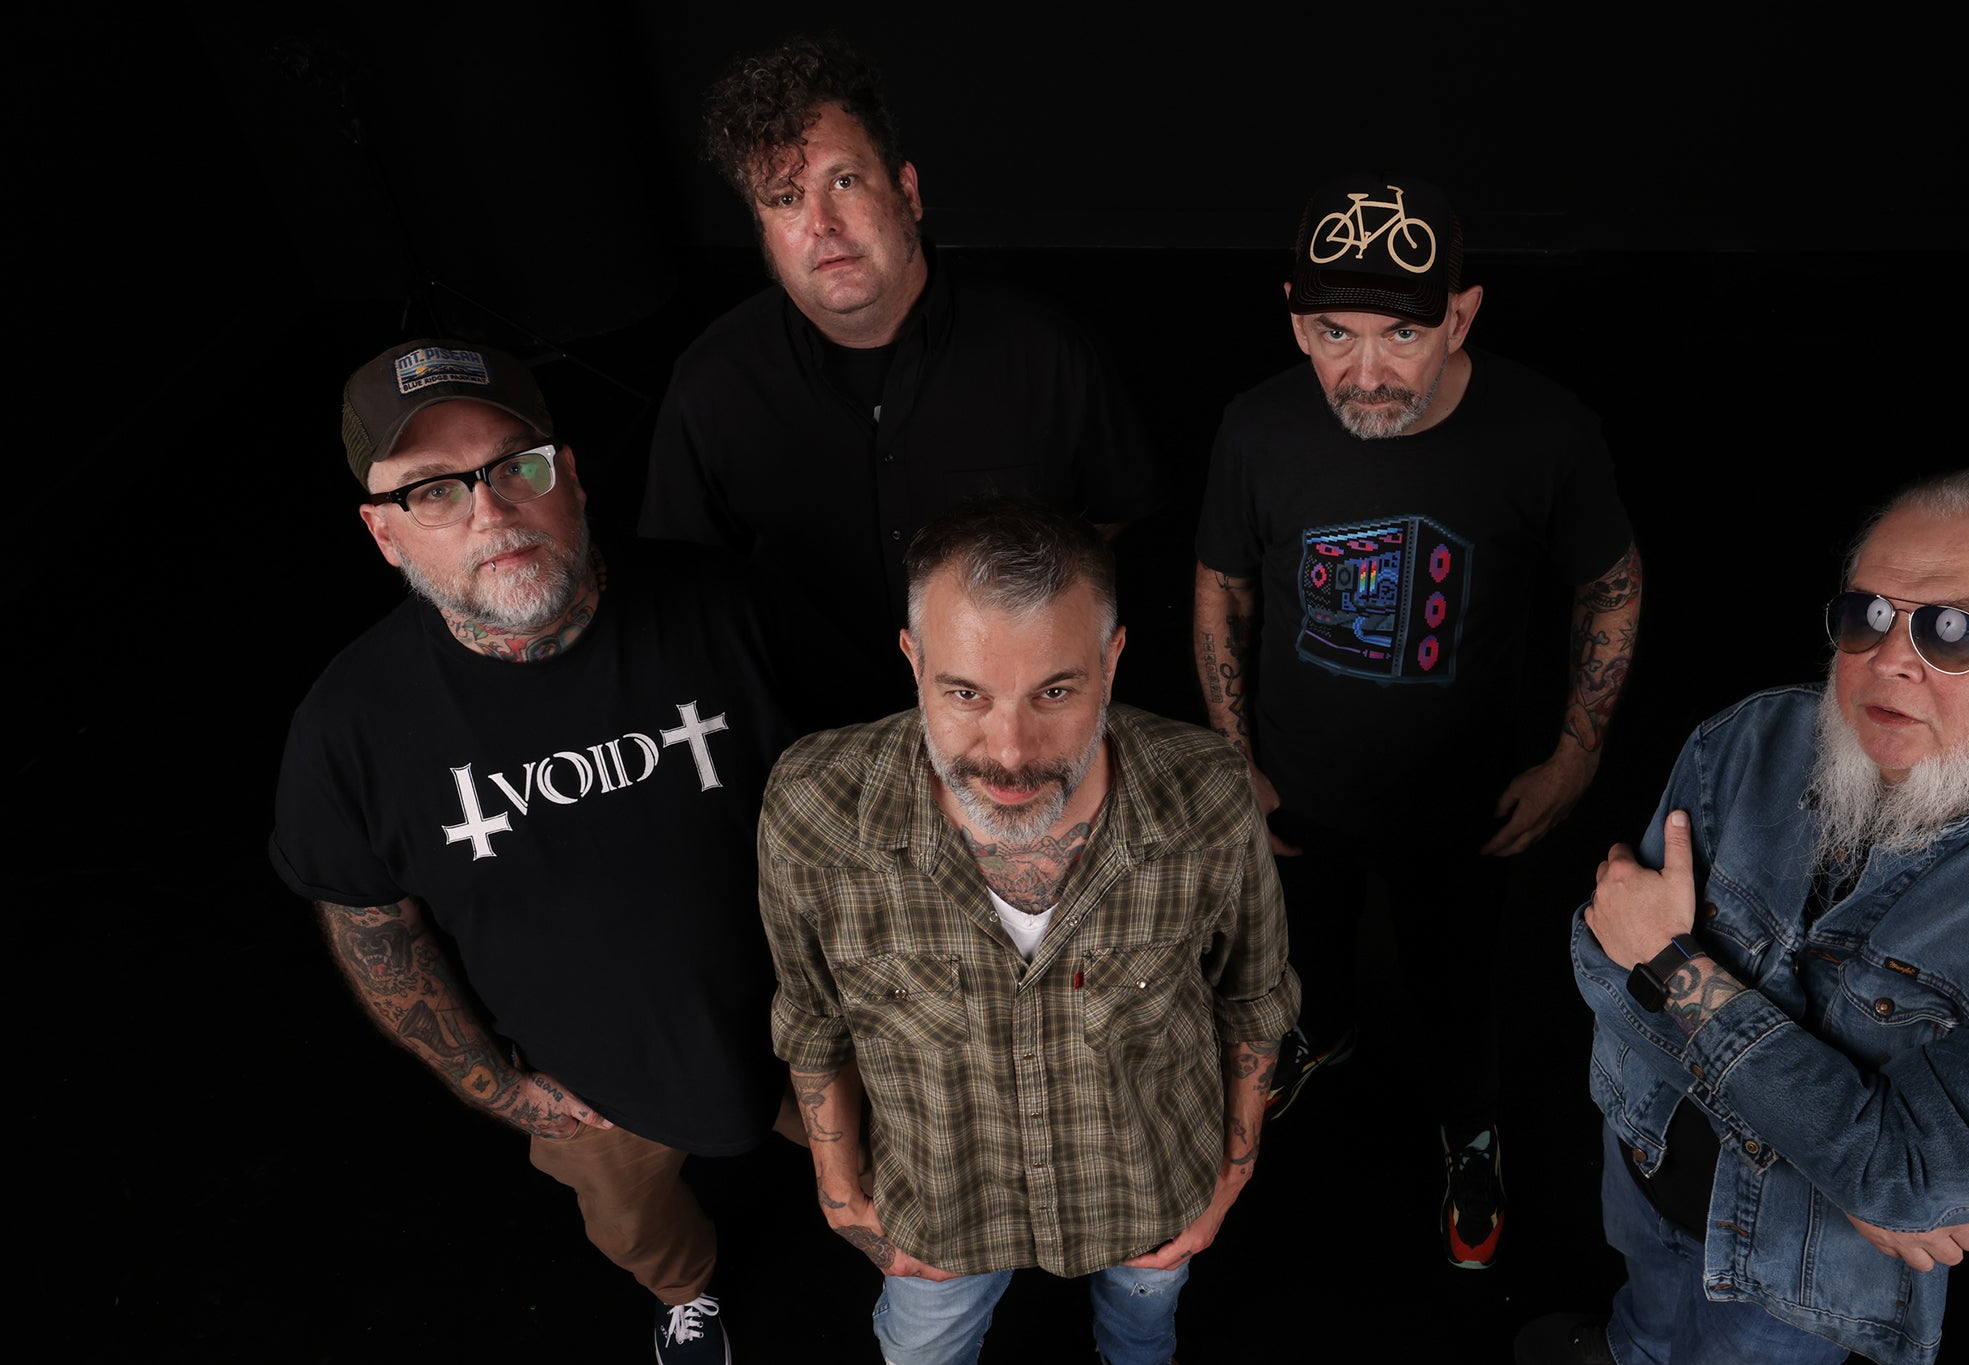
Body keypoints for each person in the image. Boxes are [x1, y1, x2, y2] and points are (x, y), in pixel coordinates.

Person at [1518, 465, 1969, 1365]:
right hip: (1645, 1157)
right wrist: (1851, 1159)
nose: (1889, 658)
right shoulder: (1748, 741)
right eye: (1869, 614)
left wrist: (1672, 963)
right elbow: (1599, 954)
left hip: (1790, 1269)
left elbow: (1902, 1176)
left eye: (1953, 630)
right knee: (1646, 1306)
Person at [270, 339, 802, 1365]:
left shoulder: (728, 603)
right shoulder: (347, 731)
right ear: (383, 532)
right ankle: (686, 1292)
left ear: (571, 477)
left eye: (516, 466)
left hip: (810, 1031)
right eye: (433, 490)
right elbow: (377, 937)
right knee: (636, 1229)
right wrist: (502, 1092)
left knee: (889, 1181)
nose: (491, 512)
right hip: (594, 1095)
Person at [1191, 170, 1642, 1270]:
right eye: (1333, 332)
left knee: (1458, 987)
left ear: (1461, 316)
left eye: (1402, 333)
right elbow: (1222, 587)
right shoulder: (1256, 427)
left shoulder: (1545, 431)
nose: (1365, 370)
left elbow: (1612, 584)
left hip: (1467, 805)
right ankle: (1324, 1036)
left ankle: (1471, 1131)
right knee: (1306, 952)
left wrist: (1576, 758)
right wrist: (1234, 756)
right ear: (1295, 318)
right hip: (1298, 789)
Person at [756, 497, 1296, 1365]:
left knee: (1141, 1341)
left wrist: (1229, 1177)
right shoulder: (813, 806)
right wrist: (839, 1187)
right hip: (938, 1216)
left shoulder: (1208, 795)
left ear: (1111, 661)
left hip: (1151, 1199)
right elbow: (813, 1015)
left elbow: (1255, 998)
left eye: (1055, 691)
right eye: (965, 692)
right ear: (914, 660)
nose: (1009, 750)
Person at [639, 31, 1166, 726]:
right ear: (763, 234)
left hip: (1014, 732)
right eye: (786, 199)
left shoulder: (1045, 353)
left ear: (907, 191)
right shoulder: (712, 385)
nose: (822, 224)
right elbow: (680, 589)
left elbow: (1116, 521)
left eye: (844, 181)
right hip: (807, 739)